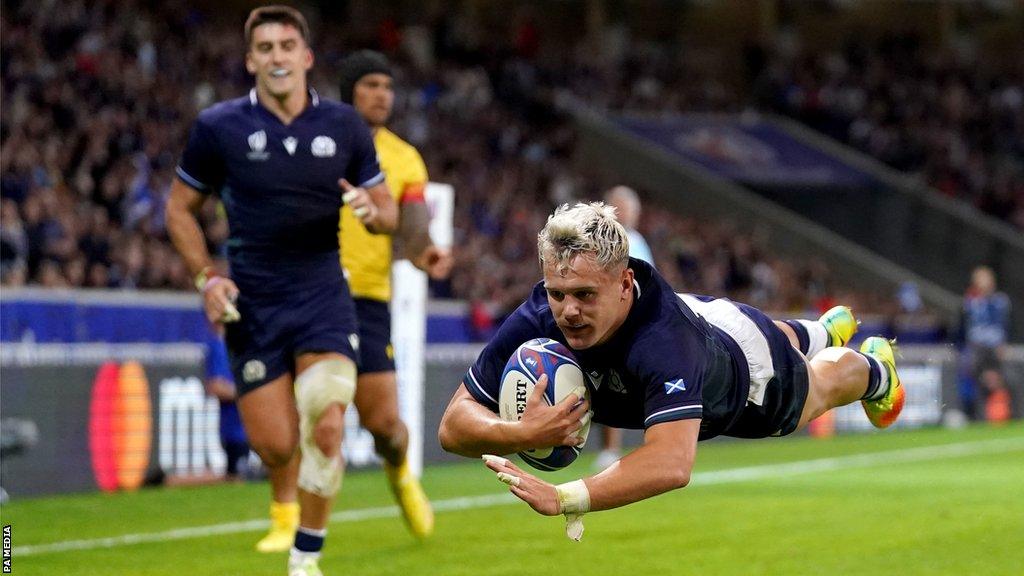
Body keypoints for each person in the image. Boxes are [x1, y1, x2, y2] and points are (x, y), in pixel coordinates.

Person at [438, 202, 902, 540]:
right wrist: (518, 433)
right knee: (774, 333)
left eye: (584, 295)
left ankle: (878, 370)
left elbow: (672, 463)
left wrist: (566, 498)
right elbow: (453, 425)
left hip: (745, 377)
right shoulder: (542, 311)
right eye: (559, 293)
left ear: (624, 284)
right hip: (704, 317)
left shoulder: (662, 343)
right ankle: (818, 332)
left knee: (818, 388)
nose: (568, 311)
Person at [165, 7, 397, 575]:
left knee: (327, 421)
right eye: (264, 48)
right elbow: (178, 209)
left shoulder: (344, 125)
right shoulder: (219, 127)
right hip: (253, 302)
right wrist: (206, 278)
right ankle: (286, 505)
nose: (276, 56)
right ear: (250, 61)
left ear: (306, 56)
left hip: (322, 293)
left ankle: (305, 560)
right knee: (275, 447)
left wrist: (374, 213)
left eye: (286, 45)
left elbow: (388, 210)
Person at [256, 49, 452, 546]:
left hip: (367, 300)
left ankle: (400, 473)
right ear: (350, 91)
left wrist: (425, 254)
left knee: (385, 423)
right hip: (309, 292)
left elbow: (411, 236)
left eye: (387, 86)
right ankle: (289, 518)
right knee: (312, 413)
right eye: (371, 85)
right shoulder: (309, 138)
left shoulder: (406, 159)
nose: (382, 95)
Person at [594, 186, 654, 471]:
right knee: (609, 384)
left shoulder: (638, 241)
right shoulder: (601, 239)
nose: (623, 213)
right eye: (618, 206)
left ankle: (656, 444)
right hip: (610, 325)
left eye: (628, 208)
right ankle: (610, 448)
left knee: (646, 385)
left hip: (638, 326)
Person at [960, 266, 1012, 421]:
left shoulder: (1000, 300)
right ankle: (978, 416)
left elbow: (1005, 324)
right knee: (976, 381)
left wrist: (1003, 343)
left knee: (1002, 379)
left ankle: (1005, 413)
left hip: (995, 346)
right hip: (976, 346)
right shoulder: (970, 301)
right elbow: (964, 325)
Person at [203, 325, 250, 480]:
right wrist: (250, 390)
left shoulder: (245, 344)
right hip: (235, 430)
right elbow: (215, 386)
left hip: (251, 427)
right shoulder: (218, 346)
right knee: (237, 478)